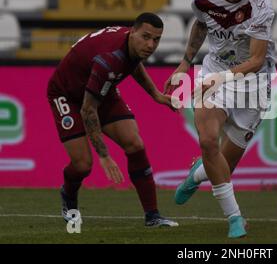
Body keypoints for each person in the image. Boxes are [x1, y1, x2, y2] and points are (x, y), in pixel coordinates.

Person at [164, 0, 276, 238]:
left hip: (255, 82)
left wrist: (221, 79)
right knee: (209, 141)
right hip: (213, 72)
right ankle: (235, 219)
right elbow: (201, 26)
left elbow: (255, 60)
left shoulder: (261, 4)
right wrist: (185, 64)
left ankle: (197, 174)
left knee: (223, 164)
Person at [47, 13, 179, 227]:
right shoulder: (109, 59)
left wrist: (155, 94)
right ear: (132, 31)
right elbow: (88, 110)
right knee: (83, 165)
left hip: (99, 89)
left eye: (156, 39)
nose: (151, 45)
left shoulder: (129, 43)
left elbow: (133, 63)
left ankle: (152, 216)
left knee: (135, 144)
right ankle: (68, 194)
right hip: (66, 94)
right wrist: (105, 155)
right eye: (146, 37)